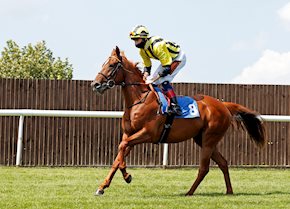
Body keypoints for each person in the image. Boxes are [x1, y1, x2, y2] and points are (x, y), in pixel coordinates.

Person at [129, 25, 186, 116]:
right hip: (167, 60)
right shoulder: (142, 51)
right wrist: (146, 74)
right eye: (134, 40)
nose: (135, 43)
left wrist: (160, 74)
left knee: (164, 80)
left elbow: (167, 67)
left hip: (178, 58)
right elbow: (147, 66)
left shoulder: (157, 46)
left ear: (144, 38)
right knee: (150, 81)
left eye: (137, 39)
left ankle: (175, 106)